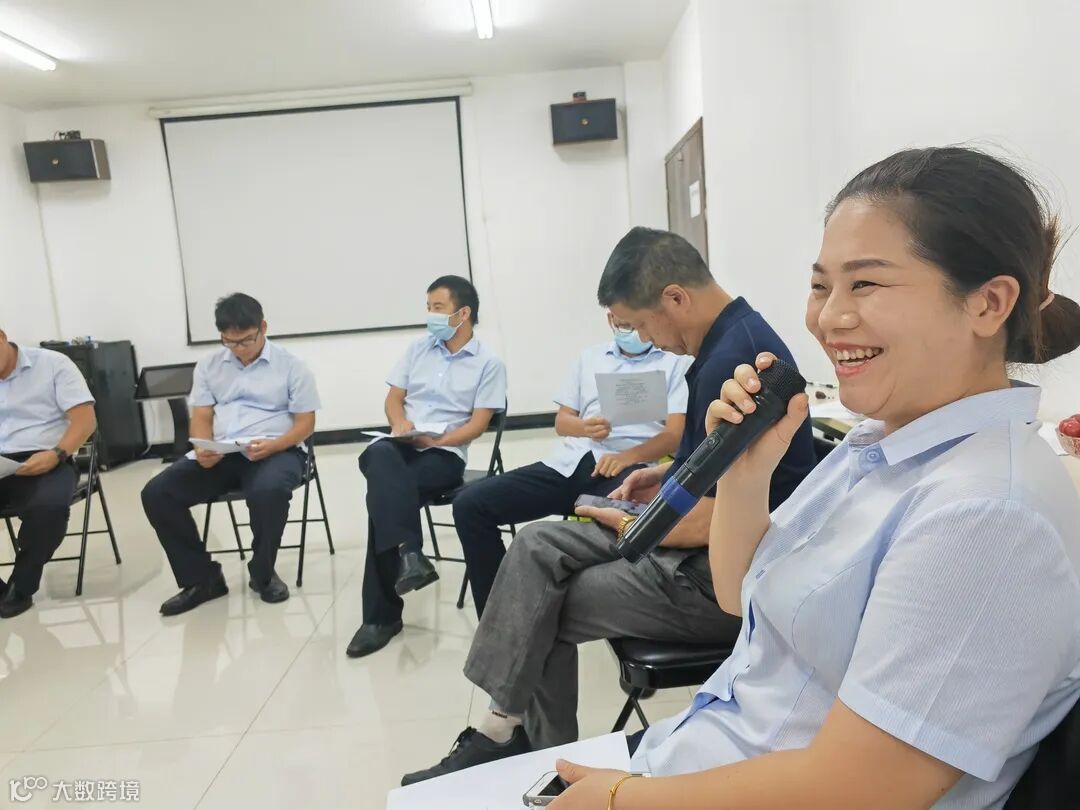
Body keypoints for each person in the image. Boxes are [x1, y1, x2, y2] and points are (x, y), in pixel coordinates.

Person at [543, 148, 1080, 809]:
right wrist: (745, 470)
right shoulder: (876, 443)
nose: (828, 318)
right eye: (822, 286)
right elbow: (739, 594)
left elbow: (862, 787)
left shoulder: (986, 514)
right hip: (690, 760)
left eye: (866, 284)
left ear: (989, 303)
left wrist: (622, 799)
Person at [401, 228, 817, 784]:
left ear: (675, 298)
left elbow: (710, 520)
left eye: (641, 325)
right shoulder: (732, 340)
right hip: (698, 548)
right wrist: (665, 472)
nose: (645, 338)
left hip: (717, 580)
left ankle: (516, 746)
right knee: (535, 547)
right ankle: (513, 740)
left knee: (540, 601)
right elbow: (728, 470)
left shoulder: (734, 362)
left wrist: (621, 518)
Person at [451, 313, 692, 618]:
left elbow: (674, 435)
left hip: (629, 472)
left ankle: (611, 612)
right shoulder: (590, 358)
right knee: (470, 505)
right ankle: (499, 619)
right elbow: (562, 422)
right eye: (622, 324)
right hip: (568, 464)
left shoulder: (674, 362)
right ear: (610, 319)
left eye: (635, 323)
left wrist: (628, 456)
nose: (629, 331)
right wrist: (584, 427)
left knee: (647, 526)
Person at [347, 275, 507, 659]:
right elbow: (394, 399)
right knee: (378, 455)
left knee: (383, 500)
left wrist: (437, 441)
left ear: (462, 313)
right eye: (429, 307)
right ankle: (411, 554)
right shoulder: (417, 349)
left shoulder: (488, 364)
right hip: (402, 445)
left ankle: (381, 618)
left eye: (437, 308)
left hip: (443, 454)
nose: (430, 315)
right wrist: (400, 424)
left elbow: (478, 425)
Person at [142, 293, 320, 616]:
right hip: (225, 452)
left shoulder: (292, 366)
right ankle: (202, 578)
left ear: (263, 327)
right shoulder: (209, 366)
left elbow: (305, 423)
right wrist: (203, 446)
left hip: (276, 449)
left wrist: (275, 445)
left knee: (268, 490)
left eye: (246, 340)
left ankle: (263, 573)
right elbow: (202, 414)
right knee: (157, 493)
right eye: (230, 342)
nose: (239, 349)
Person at [0, 330, 96, 618]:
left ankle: (22, 585)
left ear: (1, 337)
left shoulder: (53, 364)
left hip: (50, 458)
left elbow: (85, 421)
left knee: (49, 508)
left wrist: (57, 453)